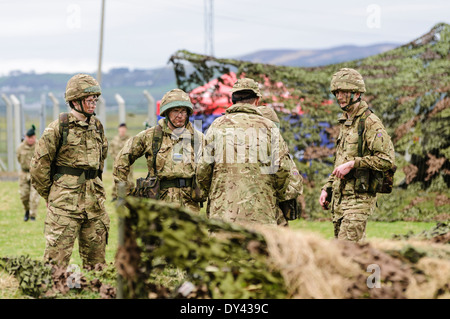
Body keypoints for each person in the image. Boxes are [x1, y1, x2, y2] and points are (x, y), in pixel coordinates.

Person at [196, 77, 302, 226]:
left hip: (223, 215)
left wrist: (207, 194)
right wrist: (277, 195)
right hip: (262, 215)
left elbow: (203, 169)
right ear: (257, 100)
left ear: (232, 99)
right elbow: (282, 169)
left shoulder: (216, 126)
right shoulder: (269, 127)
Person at [30, 73, 109, 269]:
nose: (93, 104)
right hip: (64, 204)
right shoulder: (57, 128)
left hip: (94, 204)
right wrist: (51, 195)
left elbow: (101, 160)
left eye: (95, 100)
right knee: (55, 262)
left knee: (97, 263)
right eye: (89, 100)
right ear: (75, 101)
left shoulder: (97, 127)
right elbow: (39, 166)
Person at [319, 68, 395, 242]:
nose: (339, 96)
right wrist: (327, 188)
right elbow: (340, 161)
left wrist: (353, 164)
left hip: (358, 201)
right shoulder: (346, 122)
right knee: (348, 256)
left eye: (344, 91)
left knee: (346, 252)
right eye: (337, 92)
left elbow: (386, 159)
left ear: (357, 93)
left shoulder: (370, 122)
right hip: (340, 202)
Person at [113, 88, 205, 213]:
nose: (180, 116)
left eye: (183, 111)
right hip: (159, 206)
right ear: (166, 112)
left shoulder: (198, 138)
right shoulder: (151, 136)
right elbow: (122, 160)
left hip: (189, 206)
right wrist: (128, 194)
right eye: (175, 111)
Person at [17, 125, 40, 221]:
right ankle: (27, 210)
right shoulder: (20, 147)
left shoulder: (39, 146)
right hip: (24, 173)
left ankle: (32, 215)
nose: (31, 140)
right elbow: (19, 159)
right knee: (24, 195)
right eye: (29, 138)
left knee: (34, 196)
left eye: (32, 138)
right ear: (26, 137)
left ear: (35, 137)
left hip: (35, 173)